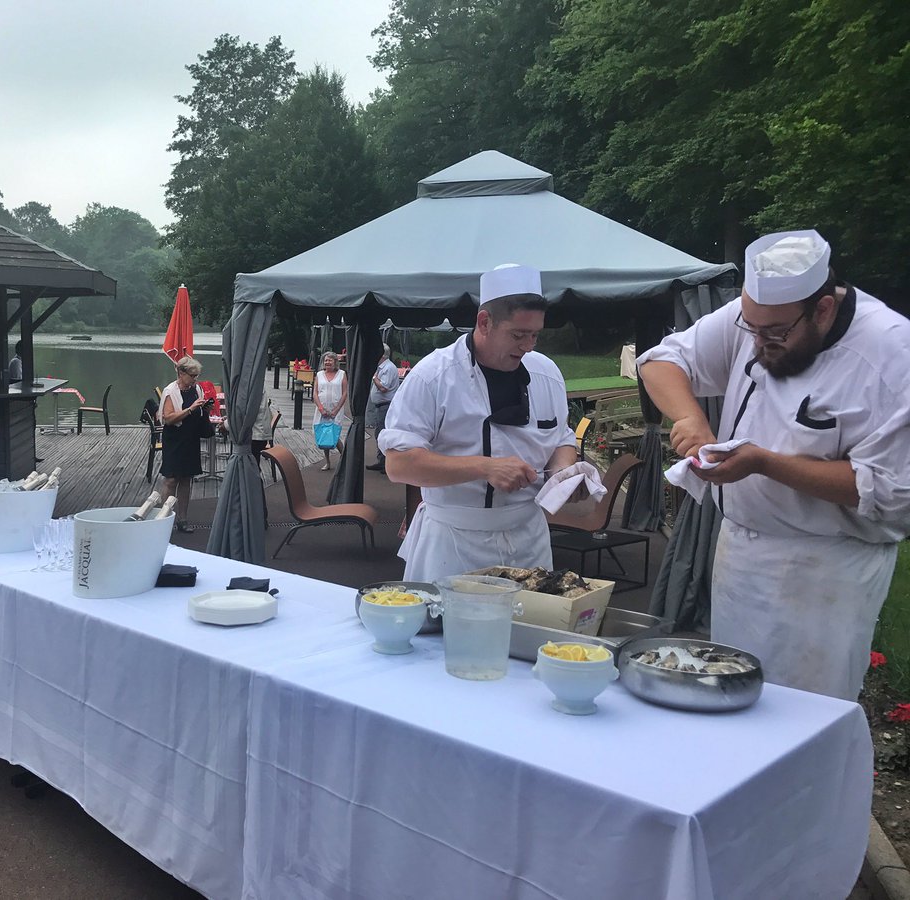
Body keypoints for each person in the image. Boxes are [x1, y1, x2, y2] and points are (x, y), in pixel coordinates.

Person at [637, 229, 910, 700]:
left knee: (803, 714)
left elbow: (889, 490)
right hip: (739, 556)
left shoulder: (891, 354)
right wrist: (691, 418)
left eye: (775, 334)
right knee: (730, 698)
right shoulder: (759, 315)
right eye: (751, 329)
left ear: (823, 309)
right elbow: (661, 361)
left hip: (824, 570)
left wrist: (765, 464)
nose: (759, 344)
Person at [379, 263, 579, 582]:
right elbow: (398, 465)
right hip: (453, 543)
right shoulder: (433, 377)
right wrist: (485, 468)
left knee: (530, 629)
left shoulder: (547, 374)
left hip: (529, 540)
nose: (528, 346)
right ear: (484, 322)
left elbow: (562, 439)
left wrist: (564, 472)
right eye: (518, 335)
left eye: (535, 335)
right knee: (445, 631)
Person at [159, 355, 211, 533]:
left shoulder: (196, 389)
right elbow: (168, 419)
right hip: (174, 437)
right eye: (192, 375)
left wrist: (204, 409)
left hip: (190, 437)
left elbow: (199, 411)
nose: (195, 379)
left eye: (197, 376)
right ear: (181, 373)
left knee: (186, 478)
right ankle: (165, 519)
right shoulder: (170, 391)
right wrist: (191, 409)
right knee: (171, 479)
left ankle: (183, 518)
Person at [365, 343, 401, 473]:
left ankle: (386, 462)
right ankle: (381, 461)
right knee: (379, 432)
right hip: (381, 405)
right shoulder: (382, 367)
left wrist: (374, 377)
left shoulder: (388, 368)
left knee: (383, 433)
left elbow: (383, 387)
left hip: (386, 405)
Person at [312, 351, 348, 471]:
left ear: (335, 362)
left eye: (330, 360)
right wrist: (321, 408)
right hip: (322, 409)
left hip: (336, 409)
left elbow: (344, 393)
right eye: (326, 360)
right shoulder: (319, 374)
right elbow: (315, 393)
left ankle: (344, 460)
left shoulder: (342, 374)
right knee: (324, 434)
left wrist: (336, 410)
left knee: (334, 434)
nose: (327, 362)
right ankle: (327, 462)